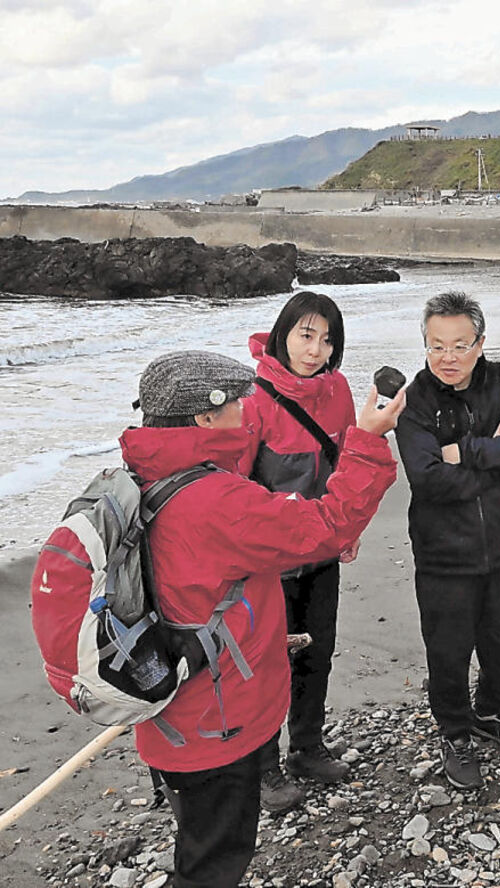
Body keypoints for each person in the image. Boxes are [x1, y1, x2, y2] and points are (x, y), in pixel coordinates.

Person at [123, 350, 401, 887]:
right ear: (205, 418)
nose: (247, 413)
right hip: (213, 721)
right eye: (236, 403)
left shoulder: (141, 476)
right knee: (215, 862)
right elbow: (328, 525)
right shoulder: (217, 500)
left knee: (199, 844)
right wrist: (365, 438)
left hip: (166, 709)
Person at [394, 291, 500, 790]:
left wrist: (468, 451)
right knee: (449, 650)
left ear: (480, 342)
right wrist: (497, 456)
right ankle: (455, 733)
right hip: (443, 554)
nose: (448, 358)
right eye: (436, 346)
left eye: (460, 345)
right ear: (425, 345)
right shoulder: (414, 401)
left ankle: (490, 711)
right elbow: (427, 477)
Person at [239, 291, 358, 813]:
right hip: (266, 563)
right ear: (284, 331)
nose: (315, 350)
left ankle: (307, 747)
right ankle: (263, 768)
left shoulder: (337, 391)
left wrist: (349, 528)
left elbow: (351, 462)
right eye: (306, 335)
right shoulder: (252, 400)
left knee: (317, 650)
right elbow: (234, 488)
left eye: (327, 339)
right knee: (267, 664)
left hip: (322, 549)